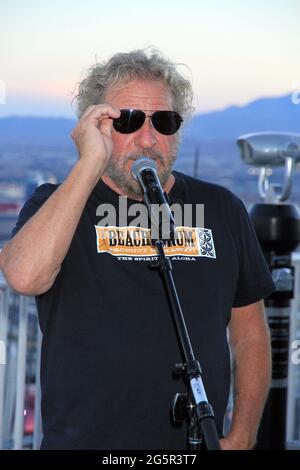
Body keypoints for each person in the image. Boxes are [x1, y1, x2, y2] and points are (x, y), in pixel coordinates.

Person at [0, 48, 275, 450]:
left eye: (163, 122)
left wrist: (245, 432)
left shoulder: (223, 209)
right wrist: (88, 164)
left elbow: (250, 331)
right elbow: (24, 275)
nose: (148, 139)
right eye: (128, 120)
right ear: (96, 125)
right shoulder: (56, 206)